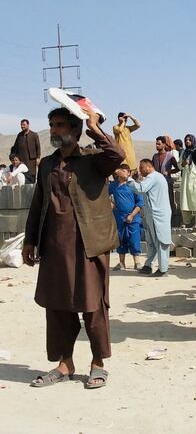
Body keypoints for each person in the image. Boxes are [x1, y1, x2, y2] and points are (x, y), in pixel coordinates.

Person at [23, 107, 124, 389]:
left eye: (60, 125)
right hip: (54, 246)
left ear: (75, 131)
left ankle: (98, 364)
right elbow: (38, 204)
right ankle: (64, 364)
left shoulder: (93, 159)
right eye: (51, 125)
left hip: (89, 244)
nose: (54, 130)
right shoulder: (47, 165)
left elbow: (118, 156)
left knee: (93, 305)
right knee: (57, 305)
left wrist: (95, 126)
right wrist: (30, 240)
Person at [127, 159, 172, 277]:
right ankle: (148, 265)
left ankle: (163, 270)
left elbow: (140, 189)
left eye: (142, 168)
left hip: (158, 215)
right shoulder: (152, 178)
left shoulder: (153, 177)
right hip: (151, 215)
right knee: (151, 242)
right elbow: (143, 191)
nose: (140, 171)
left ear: (148, 167)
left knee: (161, 242)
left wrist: (129, 179)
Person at [109, 164, 143, 270]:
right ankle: (121, 263)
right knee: (120, 239)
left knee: (134, 239)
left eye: (127, 171)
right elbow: (104, 196)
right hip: (119, 216)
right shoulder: (113, 185)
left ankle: (137, 262)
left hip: (133, 217)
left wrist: (132, 215)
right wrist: (111, 204)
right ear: (118, 172)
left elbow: (140, 203)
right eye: (123, 170)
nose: (125, 173)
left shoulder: (133, 185)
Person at [152, 136, 180, 227]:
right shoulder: (155, 156)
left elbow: (178, 168)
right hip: (157, 185)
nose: (157, 145)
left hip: (167, 182)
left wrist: (169, 172)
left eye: (159, 144)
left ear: (164, 144)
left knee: (169, 202)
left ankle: (171, 222)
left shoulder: (170, 156)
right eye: (156, 144)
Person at [179, 134, 196, 227]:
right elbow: (179, 165)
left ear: (193, 141)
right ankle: (186, 221)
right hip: (185, 179)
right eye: (186, 140)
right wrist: (183, 163)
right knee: (185, 200)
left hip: (195, 179)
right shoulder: (184, 152)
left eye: (189, 140)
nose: (187, 141)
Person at [11, 118, 41, 183]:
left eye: (24, 125)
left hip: (31, 160)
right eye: (21, 125)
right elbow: (15, 146)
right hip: (21, 159)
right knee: (21, 174)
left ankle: (31, 189)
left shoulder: (34, 135)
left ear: (28, 125)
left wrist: (38, 157)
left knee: (31, 175)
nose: (22, 126)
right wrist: (12, 156)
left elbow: (38, 147)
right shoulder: (19, 135)